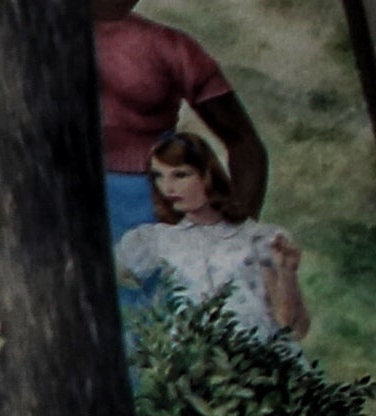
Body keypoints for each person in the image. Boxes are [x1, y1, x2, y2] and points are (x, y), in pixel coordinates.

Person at [86, 0, 265, 236]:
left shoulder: (170, 47)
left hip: (154, 198)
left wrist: (235, 235)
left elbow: (244, 142)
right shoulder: (32, 40)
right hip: (65, 200)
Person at [120, 130, 306, 335]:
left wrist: (286, 272)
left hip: (253, 353)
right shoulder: (156, 240)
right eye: (159, 176)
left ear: (207, 175)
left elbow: (292, 327)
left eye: (181, 175)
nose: (168, 188)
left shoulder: (255, 238)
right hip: (196, 354)